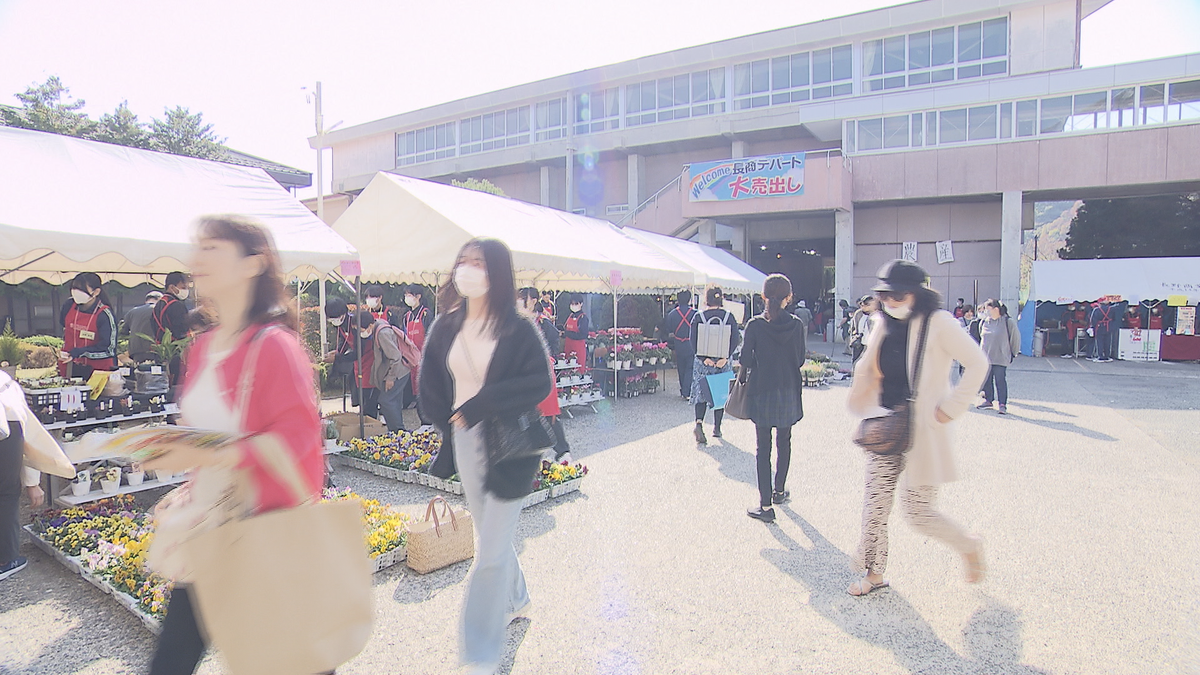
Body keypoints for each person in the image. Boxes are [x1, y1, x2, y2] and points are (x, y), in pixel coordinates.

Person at [141, 216, 326, 675]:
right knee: (173, 661)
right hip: (209, 527)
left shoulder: (274, 346)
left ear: (252, 264)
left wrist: (208, 453)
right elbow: (207, 433)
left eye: (212, 247)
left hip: (263, 530)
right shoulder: (201, 346)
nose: (197, 258)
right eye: (197, 246)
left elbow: (298, 443)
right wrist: (173, 449)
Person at [418, 238, 553, 675]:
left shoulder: (518, 326)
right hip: (465, 442)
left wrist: (485, 402)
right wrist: (445, 419)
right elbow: (432, 382)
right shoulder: (447, 325)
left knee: (489, 549)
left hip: (511, 445)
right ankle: (518, 599)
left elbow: (539, 384)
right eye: (463, 261)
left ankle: (479, 656)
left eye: (478, 262)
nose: (468, 269)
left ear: (496, 271)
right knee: (490, 533)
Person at [846, 259, 989, 597]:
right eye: (884, 295)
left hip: (924, 429)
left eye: (897, 295)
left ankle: (968, 546)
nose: (889, 302)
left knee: (918, 512)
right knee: (875, 506)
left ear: (916, 294)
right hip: (885, 423)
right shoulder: (881, 322)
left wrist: (952, 408)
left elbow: (977, 362)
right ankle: (874, 573)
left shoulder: (939, 323)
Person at [739, 274, 806, 523]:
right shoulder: (797, 325)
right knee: (784, 441)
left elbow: (745, 360)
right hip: (788, 390)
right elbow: (800, 359)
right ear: (788, 298)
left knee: (762, 448)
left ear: (764, 296)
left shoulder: (755, 325)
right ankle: (779, 491)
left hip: (763, 389)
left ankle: (765, 505)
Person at [1, 369, 74, 581]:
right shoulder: (7, 383)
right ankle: (7, 559)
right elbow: (28, 436)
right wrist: (33, 483)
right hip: (7, 429)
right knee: (6, 494)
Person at [519, 287, 570, 462]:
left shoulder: (543, 322)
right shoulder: (519, 322)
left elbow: (555, 339)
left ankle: (563, 451)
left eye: (523, 300)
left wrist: (550, 357)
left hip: (542, 373)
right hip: (524, 375)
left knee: (548, 414)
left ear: (533, 301)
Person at [690, 286, 740, 444]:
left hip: (703, 362)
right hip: (722, 361)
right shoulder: (729, 317)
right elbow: (735, 339)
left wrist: (703, 358)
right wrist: (726, 357)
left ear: (706, 299)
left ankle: (699, 423)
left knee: (701, 393)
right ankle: (717, 428)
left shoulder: (699, 317)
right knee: (720, 394)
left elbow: (693, 340)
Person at [58, 272, 118, 380]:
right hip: (71, 368)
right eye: (74, 288)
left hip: (97, 372)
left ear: (96, 292)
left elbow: (109, 350)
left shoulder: (104, 315)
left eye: (82, 290)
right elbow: (65, 330)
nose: (77, 292)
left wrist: (81, 352)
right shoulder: (69, 306)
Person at [358, 310, 410, 433]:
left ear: (370, 325)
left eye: (361, 330)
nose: (361, 333)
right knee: (394, 401)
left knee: (386, 401)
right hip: (398, 370)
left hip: (398, 371)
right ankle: (396, 431)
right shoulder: (378, 326)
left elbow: (395, 357)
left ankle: (398, 430)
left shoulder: (382, 333)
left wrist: (390, 378)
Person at [977, 299, 1021, 414]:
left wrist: (1013, 353)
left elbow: (1015, 338)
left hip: (1001, 357)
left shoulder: (1007, 322)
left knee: (1000, 380)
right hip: (986, 357)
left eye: (988, 309)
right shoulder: (984, 322)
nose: (986, 312)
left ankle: (1002, 404)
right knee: (987, 380)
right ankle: (988, 400)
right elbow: (981, 337)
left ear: (996, 309)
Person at [153, 272, 192, 384]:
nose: (186, 290)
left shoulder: (158, 304)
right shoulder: (177, 305)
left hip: (160, 352)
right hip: (175, 353)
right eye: (183, 287)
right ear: (171, 287)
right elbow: (182, 331)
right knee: (176, 386)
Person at [402, 284, 432, 417]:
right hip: (411, 359)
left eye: (410, 295)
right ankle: (422, 420)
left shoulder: (426, 313)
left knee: (424, 390)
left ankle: (427, 421)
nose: (407, 298)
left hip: (424, 358)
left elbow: (431, 336)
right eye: (406, 295)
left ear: (418, 296)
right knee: (415, 390)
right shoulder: (407, 316)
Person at [323, 299, 358, 402]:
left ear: (344, 313)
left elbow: (359, 351)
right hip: (355, 357)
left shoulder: (355, 323)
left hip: (365, 356)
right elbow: (344, 340)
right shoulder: (339, 325)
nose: (334, 321)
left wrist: (338, 357)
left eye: (336, 318)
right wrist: (338, 351)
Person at [665, 291, 697, 399]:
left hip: (678, 343)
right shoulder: (695, 313)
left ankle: (683, 389)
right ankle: (686, 391)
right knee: (690, 368)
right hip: (691, 343)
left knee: (681, 367)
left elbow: (669, 329)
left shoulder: (672, 314)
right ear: (689, 300)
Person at [121, 290, 162, 363]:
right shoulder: (160, 310)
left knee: (139, 372)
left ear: (146, 301)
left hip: (135, 351)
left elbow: (123, 332)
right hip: (155, 350)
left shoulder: (132, 311)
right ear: (160, 300)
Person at [561, 294, 589, 365]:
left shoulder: (583, 318)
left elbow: (583, 335)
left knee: (577, 371)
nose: (573, 305)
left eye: (576, 303)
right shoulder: (570, 316)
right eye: (572, 304)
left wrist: (567, 333)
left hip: (578, 349)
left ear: (581, 304)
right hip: (568, 347)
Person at [849, 295, 877, 365]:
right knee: (856, 360)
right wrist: (854, 336)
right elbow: (853, 327)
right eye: (862, 304)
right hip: (859, 341)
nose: (863, 306)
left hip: (870, 343)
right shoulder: (858, 313)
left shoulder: (875, 314)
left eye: (867, 304)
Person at [1089, 298, 1117, 362]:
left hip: (1100, 327)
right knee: (1108, 342)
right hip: (1108, 327)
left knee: (1099, 342)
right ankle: (1107, 356)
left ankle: (1100, 356)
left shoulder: (1097, 310)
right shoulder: (1111, 309)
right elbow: (1114, 318)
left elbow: (1093, 320)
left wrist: (1093, 327)